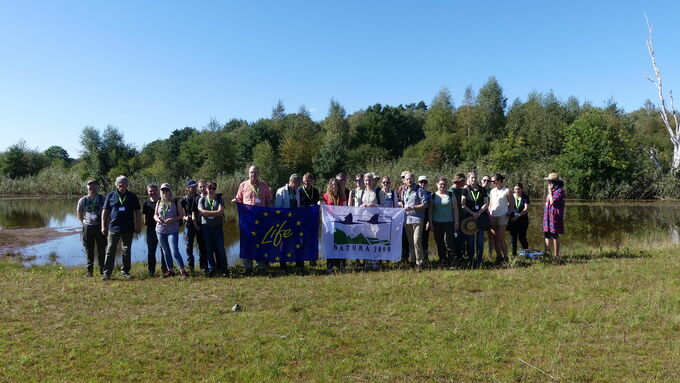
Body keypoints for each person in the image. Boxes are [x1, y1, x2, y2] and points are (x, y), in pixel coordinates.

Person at [233, 165, 273, 275]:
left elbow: (268, 200)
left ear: (258, 174)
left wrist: (270, 215)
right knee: (247, 242)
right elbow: (239, 199)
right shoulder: (243, 185)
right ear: (248, 174)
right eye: (251, 172)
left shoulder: (264, 185)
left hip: (261, 219)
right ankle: (248, 267)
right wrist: (235, 201)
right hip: (248, 220)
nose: (253, 174)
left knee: (261, 241)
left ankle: (261, 267)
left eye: (255, 172)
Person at [101, 176, 141, 280]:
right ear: (116, 184)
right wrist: (103, 226)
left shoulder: (132, 196)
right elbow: (104, 212)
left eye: (123, 182)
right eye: (119, 182)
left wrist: (138, 225)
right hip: (113, 228)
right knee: (110, 250)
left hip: (128, 228)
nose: (121, 184)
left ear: (127, 184)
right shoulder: (110, 195)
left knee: (126, 250)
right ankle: (107, 273)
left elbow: (137, 212)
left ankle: (125, 271)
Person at [155, 183, 189, 279]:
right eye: (163, 190)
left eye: (167, 190)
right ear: (161, 192)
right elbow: (155, 215)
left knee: (174, 251)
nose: (165, 192)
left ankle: (182, 271)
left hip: (172, 230)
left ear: (170, 191)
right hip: (160, 230)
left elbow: (181, 215)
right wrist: (157, 219)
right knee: (165, 251)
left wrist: (172, 220)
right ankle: (170, 270)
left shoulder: (175, 201)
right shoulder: (159, 202)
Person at [76, 179, 106, 277]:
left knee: (102, 249)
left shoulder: (103, 199)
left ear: (98, 187)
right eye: (90, 185)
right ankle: (89, 272)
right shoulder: (83, 200)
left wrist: (105, 225)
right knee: (89, 250)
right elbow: (79, 214)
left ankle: (103, 270)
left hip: (100, 227)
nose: (92, 187)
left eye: (94, 185)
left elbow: (108, 213)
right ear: (87, 187)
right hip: (88, 228)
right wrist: (85, 223)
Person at [199, 181, 229, 276]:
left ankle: (224, 269)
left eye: (213, 188)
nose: (211, 190)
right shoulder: (202, 200)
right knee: (209, 249)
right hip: (206, 228)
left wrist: (207, 213)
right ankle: (212, 269)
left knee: (220, 248)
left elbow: (221, 212)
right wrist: (215, 213)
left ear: (215, 189)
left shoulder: (220, 199)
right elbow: (202, 212)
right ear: (206, 189)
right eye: (209, 188)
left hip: (217, 227)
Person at [427, 177, 460, 267]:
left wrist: (456, 222)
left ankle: (452, 262)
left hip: (449, 222)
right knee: (439, 243)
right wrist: (430, 223)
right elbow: (430, 211)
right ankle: (442, 261)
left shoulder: (451, 194)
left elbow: (455, 209)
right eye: (441, 184)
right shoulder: (432, 196)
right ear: (437, 184)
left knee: (449, 242)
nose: (442, 186)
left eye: (444, 184)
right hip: (436, 222)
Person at [274, 174, 302, 274]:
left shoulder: (297, 191)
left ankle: (298, 264)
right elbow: (277, 208)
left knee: (297, 242)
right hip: (284, 222)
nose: (299, 185)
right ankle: (283, 265)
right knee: (283, 243)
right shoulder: (281, 191)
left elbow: (298, 206)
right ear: (293, 181)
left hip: (295, 222)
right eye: (298, 183)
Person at [460, 171, 489, 269]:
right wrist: (472, 213)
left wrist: (479, 213)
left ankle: (479, 260)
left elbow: (486, 203)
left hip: (480, 217)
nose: (473, 179)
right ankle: (471, 260)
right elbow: (462, 204)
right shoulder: (465, 190)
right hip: (469, 219)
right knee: (470, 241)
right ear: (468, 179)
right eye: (471, 177)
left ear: (477, 178)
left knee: (480, 241)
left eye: (475, 177)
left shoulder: (482, 189)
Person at [402, 172, 429, 272]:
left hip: (417, 219)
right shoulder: (404, 191)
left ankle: (420, 263)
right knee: (410, 242)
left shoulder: (419, 189)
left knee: (417, 240)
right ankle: (412, 261)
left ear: (414, 179)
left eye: (410, 179)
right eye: (407, 179)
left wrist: (413, 207)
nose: (409, 180)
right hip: (407, 220)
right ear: (404, 180)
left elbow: (425, 204)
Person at [320, 178, 347, 273]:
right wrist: (320, 204)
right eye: (332, 185)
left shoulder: (342, 196)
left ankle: (341, 265)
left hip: (340, 224)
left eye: (335, 184)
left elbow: (346, 209)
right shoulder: (326, 196)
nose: (334, 186)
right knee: (330, 244)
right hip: (329, 224)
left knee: (340, 244)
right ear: (330, 186)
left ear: (338, 186)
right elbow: (322, 205)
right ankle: (329, 266)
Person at [142, 183, 168, 277]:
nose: (152, 192)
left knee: (164, 250)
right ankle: (151, 271)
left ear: (157, 191)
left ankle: (165, 270)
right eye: (150, 191)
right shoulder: (146, 202)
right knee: (151, 251)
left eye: (154, 190)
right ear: (148, 192)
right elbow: (144, 216)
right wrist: (146, 225)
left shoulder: (163, 201)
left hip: (162, 229)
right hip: (151, 230)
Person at [488, 174, 514, 265]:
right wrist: (489, 214)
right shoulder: (492, 191)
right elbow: (490, 204)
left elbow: (512, 205)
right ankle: (499, 257)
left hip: (503, 216)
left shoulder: (507, 191)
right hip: (493, 216)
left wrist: (508, 214)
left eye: (494, 181)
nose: (492, 182)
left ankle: (506, 257)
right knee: (495, 238)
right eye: (491, 181)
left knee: (501, 238)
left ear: (499, 181)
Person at [192, 180, 214, 275]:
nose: (202, 188)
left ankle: (214, 266)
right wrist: (196, 225)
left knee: (212, 247)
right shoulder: (196, 198)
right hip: (200, 227)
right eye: (200, 187)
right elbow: (193, 213)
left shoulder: (212, 197)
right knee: (202, 248)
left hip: (210, 226)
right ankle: (203, 267)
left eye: (204, 186)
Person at [181, 180, 203, 273]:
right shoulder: (183, 199)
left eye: (195, 187)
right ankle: (191, 267)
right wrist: (185, 217)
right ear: (187, 188)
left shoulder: (200, 197)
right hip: (188, 225)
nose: (193, 188)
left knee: (201, 245)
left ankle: (203, 266)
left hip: (199, 224)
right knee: (189, 246)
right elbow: (179, 212)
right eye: (191, 187)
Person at [360, 172, 380, 271]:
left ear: (373, 181)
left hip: (375, 220)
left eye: (369, 180)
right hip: (365, 219)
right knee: (366, 241)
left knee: (374, 240)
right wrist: (362, 206)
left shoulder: (378, 191)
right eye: (366, 180)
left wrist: (374, 206)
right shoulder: (363, 192)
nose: (368, 182)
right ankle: (367, 263)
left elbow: (383, 206)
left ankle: (375, 263)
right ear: (364, 181)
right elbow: (360, 205)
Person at [543, 173, 566, 258]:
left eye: (550, 181)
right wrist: (550, 192)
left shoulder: (559, 191)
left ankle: (556, 255)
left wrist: (549, 192)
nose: (548, 183)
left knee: (554, 234)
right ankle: (546, 253)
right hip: (548, 216)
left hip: (555, 216)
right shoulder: (552, 191)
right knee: (547, 234)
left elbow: (553, 202)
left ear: (554, 182)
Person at [449, 173, 467, 265]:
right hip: (454, 220)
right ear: (460, 181)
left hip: (463, 219)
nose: (465, 181)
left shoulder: (462, 190)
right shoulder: (450, 192)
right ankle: (455, 258)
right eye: (464, 180)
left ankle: (461, 256)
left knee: (462, 239)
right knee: (455, 238)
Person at [508, 182, 530, 256]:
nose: (517, 190)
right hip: (512, 221)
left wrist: (517, 216)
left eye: (519, 189)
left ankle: (526, 254)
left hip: (522, 220)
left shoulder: (525, 197)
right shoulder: (511, 197)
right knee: (512, 239)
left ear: (522, 189)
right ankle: (514, 255)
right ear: (513, 190)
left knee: (522, 238)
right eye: (515, 189)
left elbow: (526, 209)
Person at [481, 175, 495, 258]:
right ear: (481, 181)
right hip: (480, 215)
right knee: (479, 236)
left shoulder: (492, 191)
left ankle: (490, 255)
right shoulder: (477, 189)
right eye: (484, 180)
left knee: (491, 236)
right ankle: (479, 255)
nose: (486, 182)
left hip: (491, 215)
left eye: (488, 181)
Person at [418, 175, 431, 261]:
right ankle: (417, 257)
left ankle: (425, 258)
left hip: (426, 219)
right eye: (421, 182)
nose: (423, 184)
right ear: (418, 183)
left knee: (424, 239)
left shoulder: (430, 194)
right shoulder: (414, 193)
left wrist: (429, 221)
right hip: (417, 219)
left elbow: (430, 210)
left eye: (425, 182)